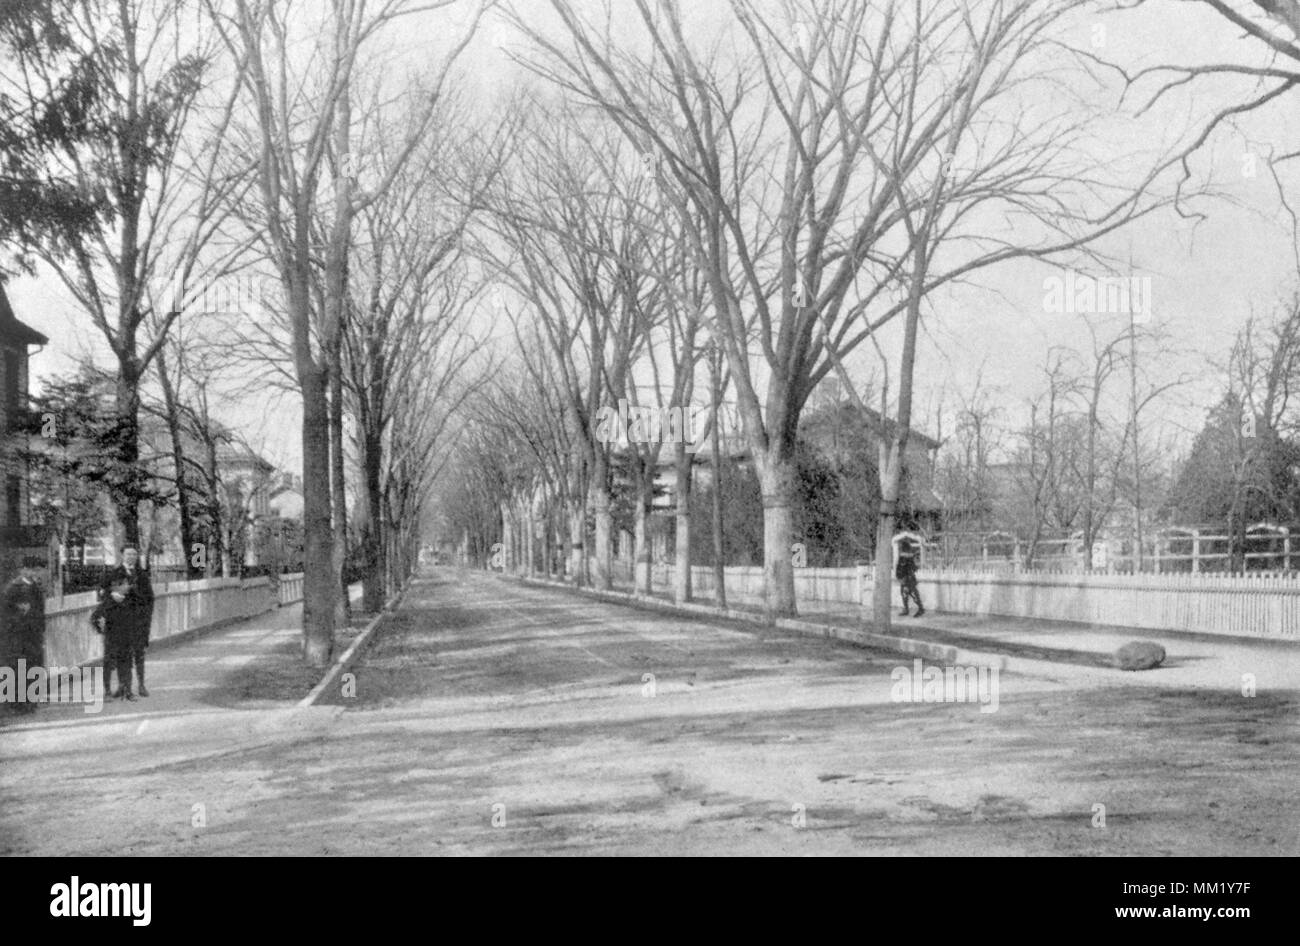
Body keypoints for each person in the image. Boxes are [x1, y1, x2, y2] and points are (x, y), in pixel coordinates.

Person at [100, 547, 155, 697]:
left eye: (134, 554)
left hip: (138, 622)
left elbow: (150, 598)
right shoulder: (114, 573)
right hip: (120, 622)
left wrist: (146, 618)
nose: (131, 557)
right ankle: (122, 686)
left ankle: (141, 685)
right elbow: (103, 593)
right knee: (121, 654)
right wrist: (112, 595)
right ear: (122, 555)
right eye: (128, 554)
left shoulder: (142, 575)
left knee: (139, 653)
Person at [2, 557, 47, 714]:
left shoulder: (36, 587)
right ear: (23, 570)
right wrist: (20, 613)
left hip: (34, 635)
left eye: (36, 569)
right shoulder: (13, 589)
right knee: (20, 667)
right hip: (19, 636)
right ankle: (19, 704)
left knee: (34, 666)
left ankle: (30, 701)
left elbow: (41, 613)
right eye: (30, 569)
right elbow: (5, 613)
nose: (34, 573)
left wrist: (41, 631)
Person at [91, 577, 136, 701]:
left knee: (126, 665)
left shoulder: (128, 601)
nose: (128, 586)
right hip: (112, 639)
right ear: (117, 586)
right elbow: (94, 618)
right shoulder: (107, 603)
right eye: (125, 584)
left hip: (126, 639)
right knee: (109, 666)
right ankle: (108, 692)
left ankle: (127, 691)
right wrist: (101, 627)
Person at [895, 536, 925, 618]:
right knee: (908, 594)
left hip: (907, 579)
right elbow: (914, 568)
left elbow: (902, 569)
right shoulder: (908, 557)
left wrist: (900, 577)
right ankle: (908, 609)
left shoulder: (904, 558)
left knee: (911, 593)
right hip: (908, 579)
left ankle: (919, 609)